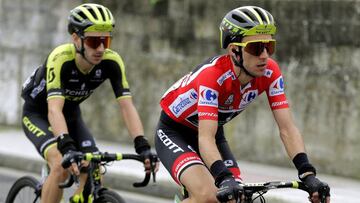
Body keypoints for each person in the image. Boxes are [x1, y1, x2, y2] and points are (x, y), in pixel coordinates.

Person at [155, 5, 330, 203]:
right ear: (234, 51)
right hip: (174, 132)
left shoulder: (270, 72)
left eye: (269, 46)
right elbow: (205, 138)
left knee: (239, 198)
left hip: (213, 132)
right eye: (256, 48)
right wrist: (224, 178)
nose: (264, 55)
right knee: (208, 196)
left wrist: (308, 173)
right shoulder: (212, 77)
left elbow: (287, 128)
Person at [21, 3, 158, 203]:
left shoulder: (112, 62)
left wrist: (142, 144)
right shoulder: (60, 59)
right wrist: (66, 146)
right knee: (60, 165)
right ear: (76, 39)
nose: (101, 48)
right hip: (39, 114)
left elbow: (126, 106)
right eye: (94, 41)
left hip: (71, 115)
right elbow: (54, 109)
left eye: (106, 40)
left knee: (95, 171)